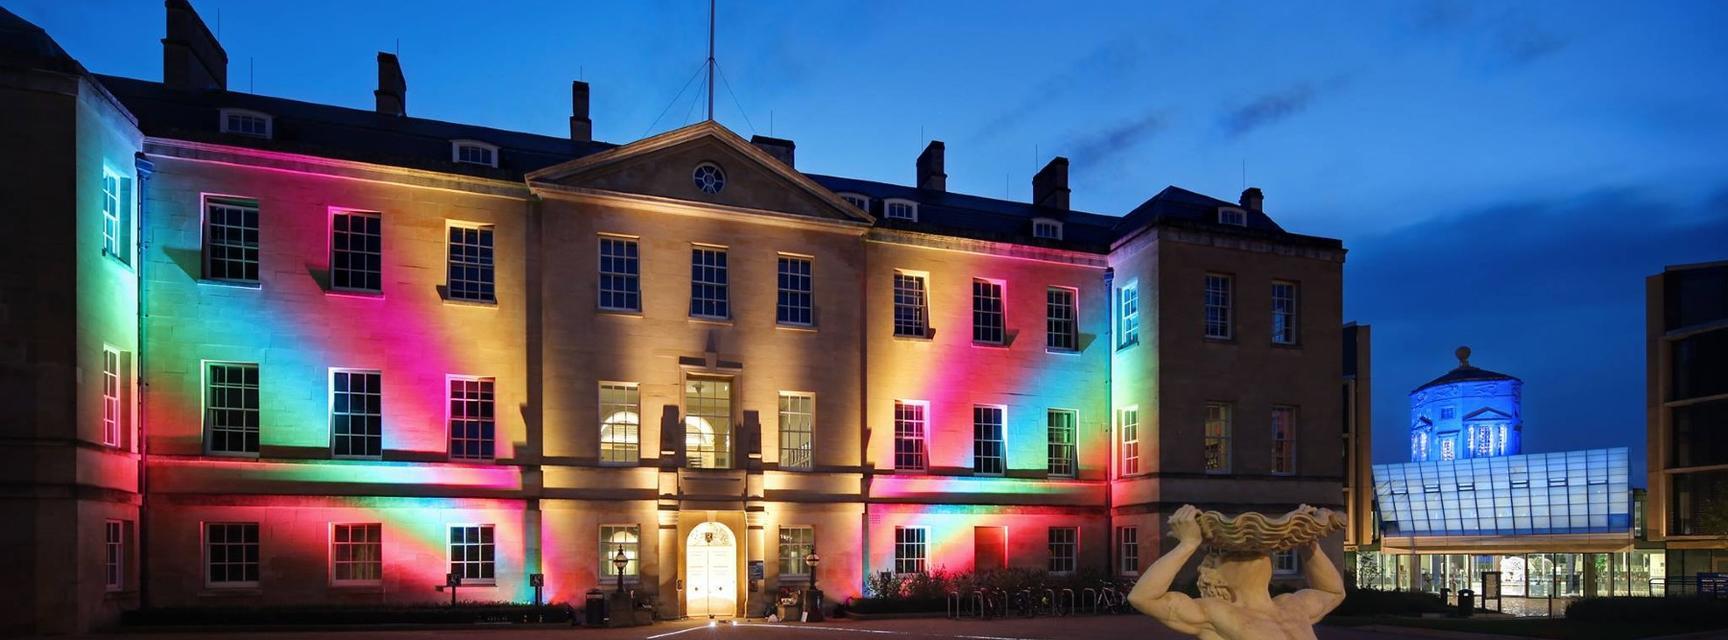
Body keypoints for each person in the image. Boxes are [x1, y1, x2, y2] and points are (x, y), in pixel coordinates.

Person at [1127, 505, 1345, 640]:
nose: (1249, 553)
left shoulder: (1292, 605)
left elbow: (1333, 592)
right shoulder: (1215, 613)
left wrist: (1308, 543)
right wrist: (1187, 545)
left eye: (1259, 550)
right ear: (1216, 578)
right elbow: (1142, 597)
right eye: (1230, 553)